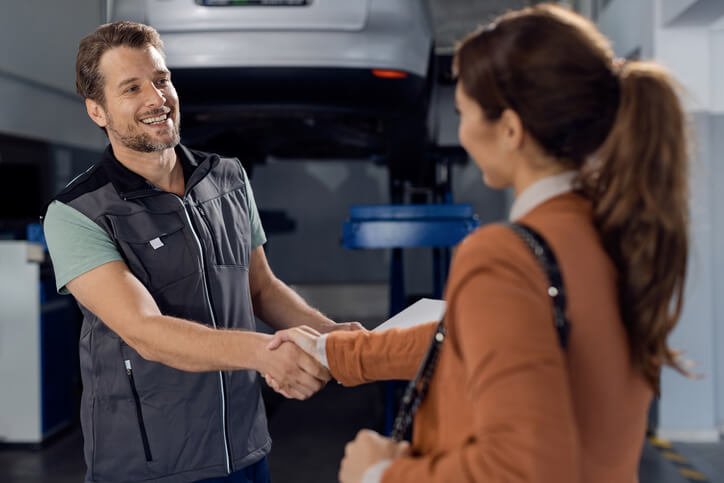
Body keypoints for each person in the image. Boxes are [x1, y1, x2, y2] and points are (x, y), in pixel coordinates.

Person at [267, 4, 691, 482]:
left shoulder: (507, 255)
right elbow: (477, 338)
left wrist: (381, 472)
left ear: (511, 130)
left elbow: (518, 469)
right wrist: (335, 351)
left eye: (463, 113)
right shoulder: (610, 233)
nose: (462, 134)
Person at [42, 21, 362, 483]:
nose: (156, 99)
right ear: (98, 111)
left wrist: (331, 337)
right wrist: (265, 354)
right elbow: (146, 331)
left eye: (161, 79)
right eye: (132, 88)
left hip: (246, 449)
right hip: (150, 466)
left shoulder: (228, 178)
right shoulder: (78, 213)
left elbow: (262, 289)